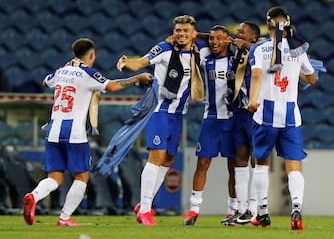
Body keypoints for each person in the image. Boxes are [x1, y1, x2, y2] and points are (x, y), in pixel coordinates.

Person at [22, 38, 152, 226]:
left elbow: (45, 81)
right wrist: (137, 78)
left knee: (55, 177)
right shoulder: (88, 73)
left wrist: (66, 69)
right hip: (74, 132)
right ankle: (64, 218)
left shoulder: (61, 71)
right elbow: (113, 86)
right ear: (91, 55)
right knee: (82, 177)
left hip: (53, 131)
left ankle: (33, 196)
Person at [116, 15, 210, 226]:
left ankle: (143, 204)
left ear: (193, 33)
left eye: (186, 30)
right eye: (178, 30)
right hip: (159, 110)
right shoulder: (163, 49)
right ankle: (146, 210)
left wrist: (199, 35)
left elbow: (218, 39)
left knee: (168, 159)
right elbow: (141, 62)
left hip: (178, 114)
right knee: (156, 157)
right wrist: (127, 62)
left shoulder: (199, 51)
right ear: (173, 32)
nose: (181, 34)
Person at [246, 6, 316, 230]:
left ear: (268, 26)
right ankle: (296, 209)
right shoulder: (299, 50)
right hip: (290, 117)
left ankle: (263, 212)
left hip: (264, 114)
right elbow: (312, 79)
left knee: (261, 164)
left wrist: (253, 99)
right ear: (287, 23)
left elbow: (256, 77)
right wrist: (300, 74)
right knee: (293, 165)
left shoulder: (260, 49)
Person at [183, 25, 237, 226]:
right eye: (212, 39)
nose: (214, 42)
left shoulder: (237, 58)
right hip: (211, 118)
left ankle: (232, 211)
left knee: (234, 167)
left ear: (228, 40)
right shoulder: (205, 55)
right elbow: (194, 36)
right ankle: (194, 210)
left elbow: (257, 44)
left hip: (232, 119)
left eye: (219, 39)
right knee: (202, 164)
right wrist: (211, 36)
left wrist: (230, 41)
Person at [220, 21, 261, 226]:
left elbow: (264, 52)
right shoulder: (235, 50)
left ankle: (256, 208)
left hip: (256, 112)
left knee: (257, 160)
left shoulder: (260, 48)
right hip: (238, 112)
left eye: (241, 32)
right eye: (237, 31)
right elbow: (214, 37)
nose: (237, 34)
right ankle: (242, 209)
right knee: (240, 160)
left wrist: (244, 44)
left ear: (252, 36)